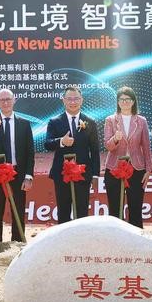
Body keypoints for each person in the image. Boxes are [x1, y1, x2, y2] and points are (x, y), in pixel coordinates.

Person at [0, 88, 35, 242]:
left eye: (8, 99)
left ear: (14, 100)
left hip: (18, 174)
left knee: (18, 211)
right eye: (2, 100)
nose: (5, 103)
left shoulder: (24, 123)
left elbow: (30, 152)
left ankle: (17, 244)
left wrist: (28, 176)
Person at [45, 86, 100, 223]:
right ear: (63, 100)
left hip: (83, 173)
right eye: (69, 99)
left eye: (76, 98)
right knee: (63, 211)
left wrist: (95, 174)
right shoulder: (54, 121)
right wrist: (61, 142)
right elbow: (47, 144)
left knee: (82, 212)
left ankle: (81, 237)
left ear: (81, 100)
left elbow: (94, 150)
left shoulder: (90, 122)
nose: (73, 102)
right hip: (62, 173)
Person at [103, 85, 152, 227]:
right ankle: (116, 237)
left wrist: (148, 169)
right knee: (115, 209)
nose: (125, 102)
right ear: (118, 102)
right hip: (114, 168)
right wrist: (115, 138)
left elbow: (146, 146)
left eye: (128, 99)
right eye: (122, 99)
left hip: (136, 168)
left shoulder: (141, 121)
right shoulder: (110, 120)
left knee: (135, 208)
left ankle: (136, 238)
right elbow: (108, 146)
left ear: (133, 101)